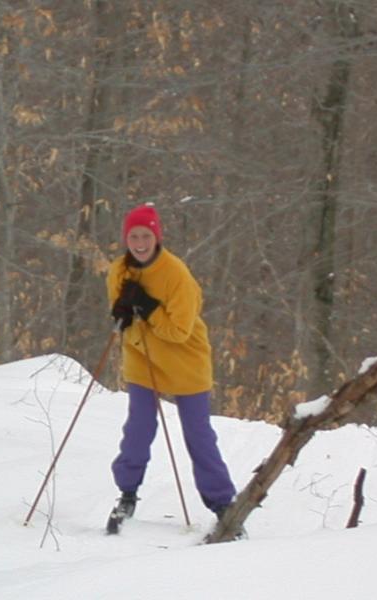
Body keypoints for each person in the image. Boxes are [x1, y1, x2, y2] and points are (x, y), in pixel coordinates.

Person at [106, 203, 236, 527]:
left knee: (197, 434)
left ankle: (223, 504)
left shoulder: (177, 275)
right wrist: (123, 317)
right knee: (139, 428)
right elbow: (124, 320)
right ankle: (127, 493)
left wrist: (148, 309)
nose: (139, 242)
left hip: (185, 360)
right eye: (133, 236)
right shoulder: (118, 271)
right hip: (142, 357)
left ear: (156, 236)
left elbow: (178, 331)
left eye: (145, 235)